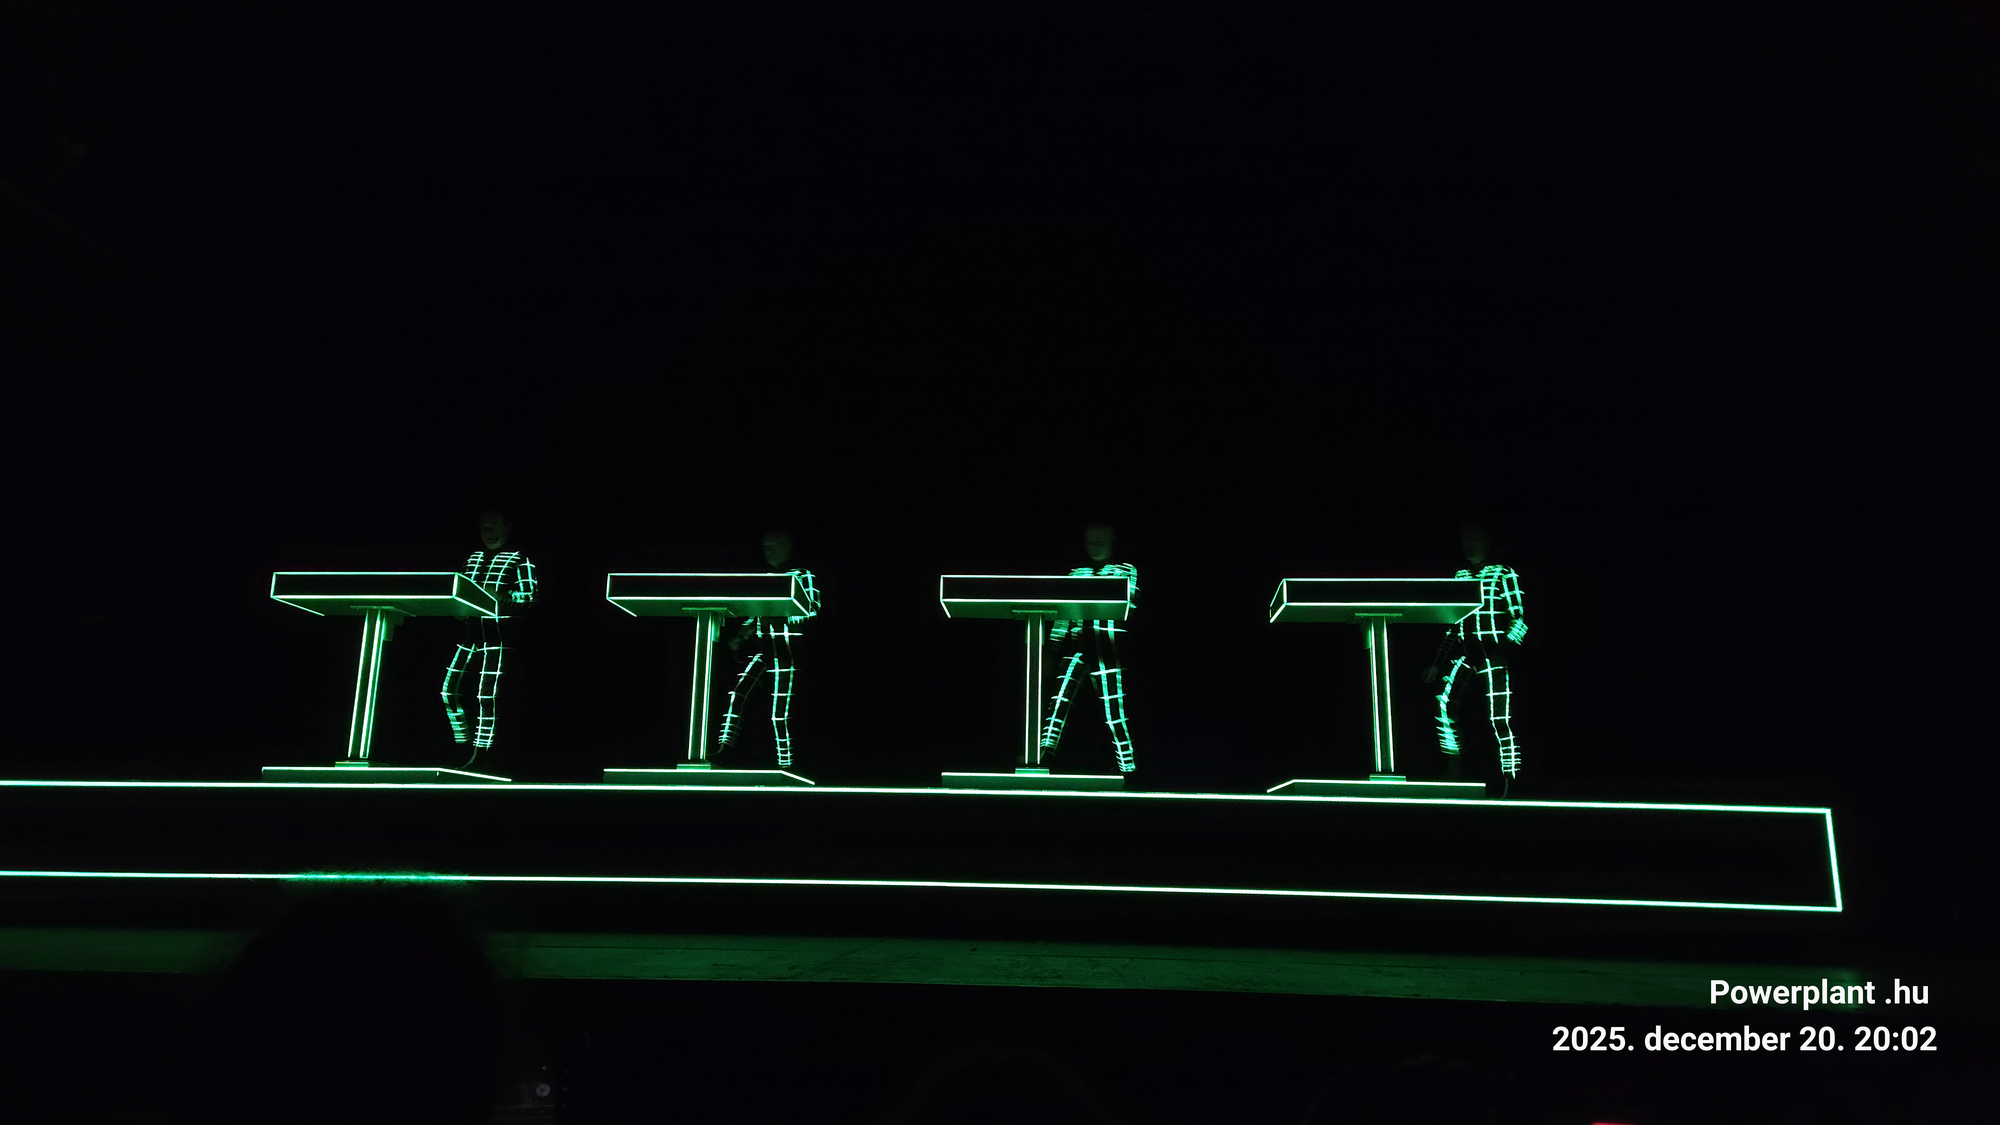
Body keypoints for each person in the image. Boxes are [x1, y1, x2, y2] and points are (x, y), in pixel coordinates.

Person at [1423, 520, 1527, 787]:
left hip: (1493, 655)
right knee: (1444, 705)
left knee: (1500, 719)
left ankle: (1510, 778)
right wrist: (1438, 663)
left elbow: (1519, 620)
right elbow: (1454, 624)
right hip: (1467, 654)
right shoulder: (1461, 577)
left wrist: (1503, 651)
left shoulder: (1503, 574)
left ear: (1486, 541)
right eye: (1465, 539)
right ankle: (1454, 766)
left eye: (1474, 538)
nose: (1468, 544)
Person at [714, 529, 821, 769]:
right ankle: (725, 749)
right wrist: (741, 636)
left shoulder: (802, 575)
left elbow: (813, 609)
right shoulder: (767, 577)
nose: (767, 551)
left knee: (779, 714)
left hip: (787, 651)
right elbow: (756, 612)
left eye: (773, 545)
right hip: (765, 650)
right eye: (765, 546)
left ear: (787, 546)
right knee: (738, 694)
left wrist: (782, 614)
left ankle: (787, 763)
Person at [1040, 522, 1138, 773]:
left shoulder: (1125, 570)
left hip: (1107, 648)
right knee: (1058, 703)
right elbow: (1062, 617)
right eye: (1090, 540)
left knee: (1114, 714)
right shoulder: (1076, 573)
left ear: (1112, 540)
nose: (1094, 545)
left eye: (1100, 539)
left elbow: (1128, 606)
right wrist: (1052, 649)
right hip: (1077, 647)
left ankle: (1128, 769)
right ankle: (1042, 757)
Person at [440, 508, 536, 762]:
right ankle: (462, 746)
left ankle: (483, 752)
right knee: (449, 691)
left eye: (493, 526)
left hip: (498, 637)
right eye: (484, 527)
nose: (488, 532)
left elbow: (528, 597)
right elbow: (460, 589)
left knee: (487, 696)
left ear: (508, 526)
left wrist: (498, 597)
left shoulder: (519, 558)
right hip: (469, 635)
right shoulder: (472, 558)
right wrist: (456, 607)